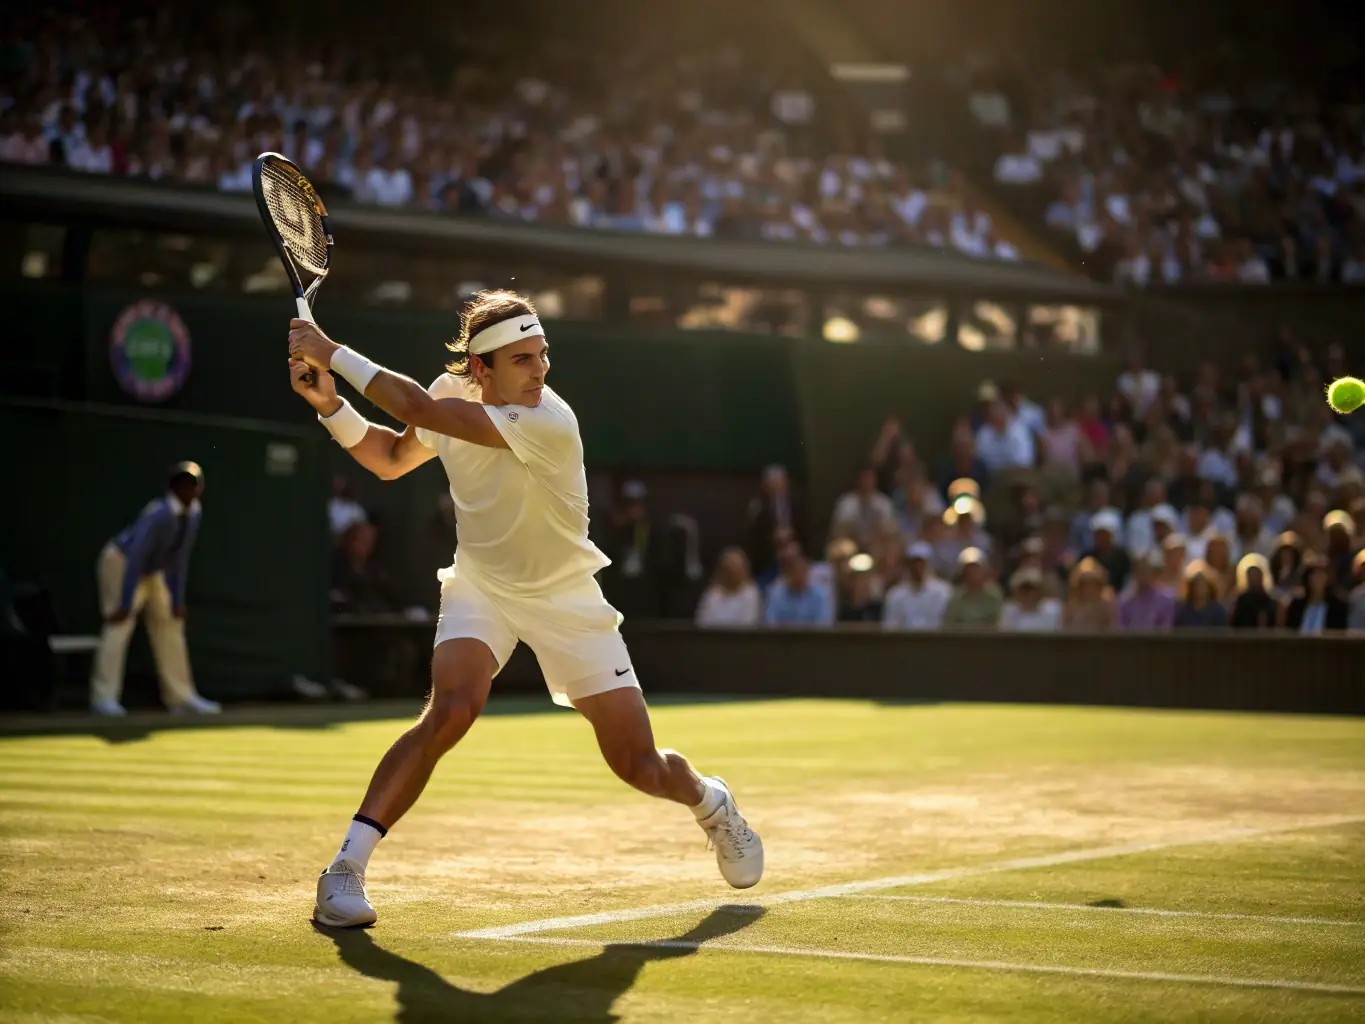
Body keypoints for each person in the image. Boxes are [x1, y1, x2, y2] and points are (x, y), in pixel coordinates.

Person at [287, 290, 763, 928]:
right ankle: (345, 868)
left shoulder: (549, 422)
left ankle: (710, 802)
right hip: (483, 585)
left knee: (639, 765)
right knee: (451, 710)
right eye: (522, 359)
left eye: (542, 355)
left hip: (565, 596)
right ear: (479, 368)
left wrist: (330, 352)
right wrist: (331, 406)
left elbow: (418, 408)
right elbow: (393, 458)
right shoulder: (448, 394)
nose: (540, 371)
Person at [88, 462, 221, 716]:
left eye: (196, 484)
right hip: (122, 562)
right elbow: (136, 557)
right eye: (187, 484)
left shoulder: (194, 512)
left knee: (171, 623)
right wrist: (125, 601)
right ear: (175, 488)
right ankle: (103, 698)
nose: (193, 489)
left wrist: (177, 600)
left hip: (154, 570)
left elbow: (180, 558)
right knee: (119, 625)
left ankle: (181, 697)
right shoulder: (157, 515)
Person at [881, 541, 952, 630]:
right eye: (914, 563)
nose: (917, 567)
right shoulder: (895, 594)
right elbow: (890, 626)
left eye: (922, 563)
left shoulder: (943, 592)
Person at [763, 545, 835, 627]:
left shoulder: (821, 596)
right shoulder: (776, 594)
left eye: (802, 569)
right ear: (787, 572)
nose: (799, 573)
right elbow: (770, 624)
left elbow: (823, 626)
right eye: (794, 569)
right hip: (782, 635)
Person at [1280, 554, 1349, 633]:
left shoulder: (1338, 608)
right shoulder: (1296, 606)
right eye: (1313, 574)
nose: (1317, 578)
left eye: (1321, 574)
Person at [695, 548, 761, 628]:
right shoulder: (712, 594)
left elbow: (749, 622)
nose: (733, 571)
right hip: (713, 635)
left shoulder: (751, 593)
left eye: (737, 568)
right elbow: (703, 621)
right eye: (729, 567)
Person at [941, 548, 1003, 628]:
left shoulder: (993, 596)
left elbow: (998, 624)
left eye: (976, 569)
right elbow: (949, 625)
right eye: (969, 570)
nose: (973, 574)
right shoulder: (956, 598)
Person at [1116, 549, 1176, 629]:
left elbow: (1166, 629)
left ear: (1153, 572)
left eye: (1145, 570)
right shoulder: (1124, 601)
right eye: (1139, 571)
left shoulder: (1166, 600)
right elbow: (1120, 628)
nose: (1142, 575)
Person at [1174, 561, 1230, 629]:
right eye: (1196, 584)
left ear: (1209, 586)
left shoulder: (1218, 612)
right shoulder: (1182, 611)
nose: (1199, 588)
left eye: (1202, 584)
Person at [1063, 558, 1115, 631]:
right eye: (1085, 584)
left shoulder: (1106, 607)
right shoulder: (1071, 608)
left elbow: (1111, 631)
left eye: (1094, 584)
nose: (1089, 589)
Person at [1230, 553, 1277, 629]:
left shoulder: (1268, 601)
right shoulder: (1241, 601)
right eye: (1252, 576)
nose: (1254, 579)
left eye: (1256, 576)